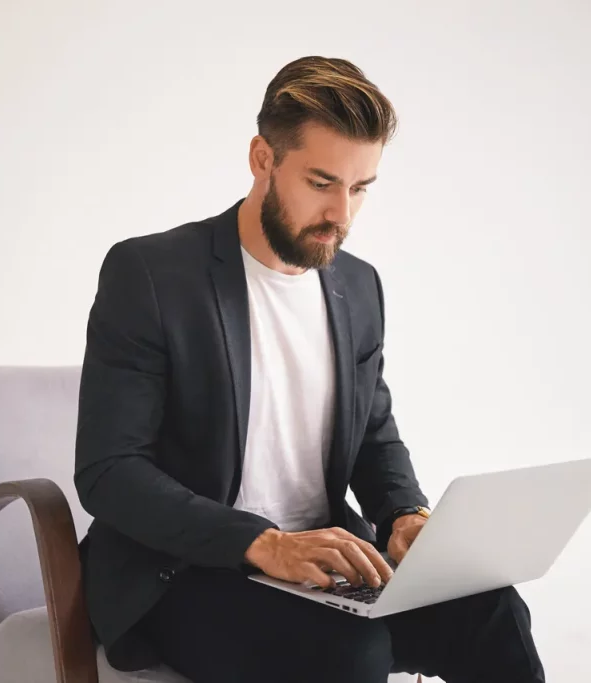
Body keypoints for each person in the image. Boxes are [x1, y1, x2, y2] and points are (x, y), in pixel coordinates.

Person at [74, 55, 545, 683]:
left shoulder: (357, 285)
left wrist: (405, 516)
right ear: (262, 158)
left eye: (360, 188)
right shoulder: (153, 276)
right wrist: (267, 544)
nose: (341, 216)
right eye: (321, 183)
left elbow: (373, 434)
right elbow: (110, 471)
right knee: (348, 653)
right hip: (189, 572)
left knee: (494, 613)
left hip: (326, 566)